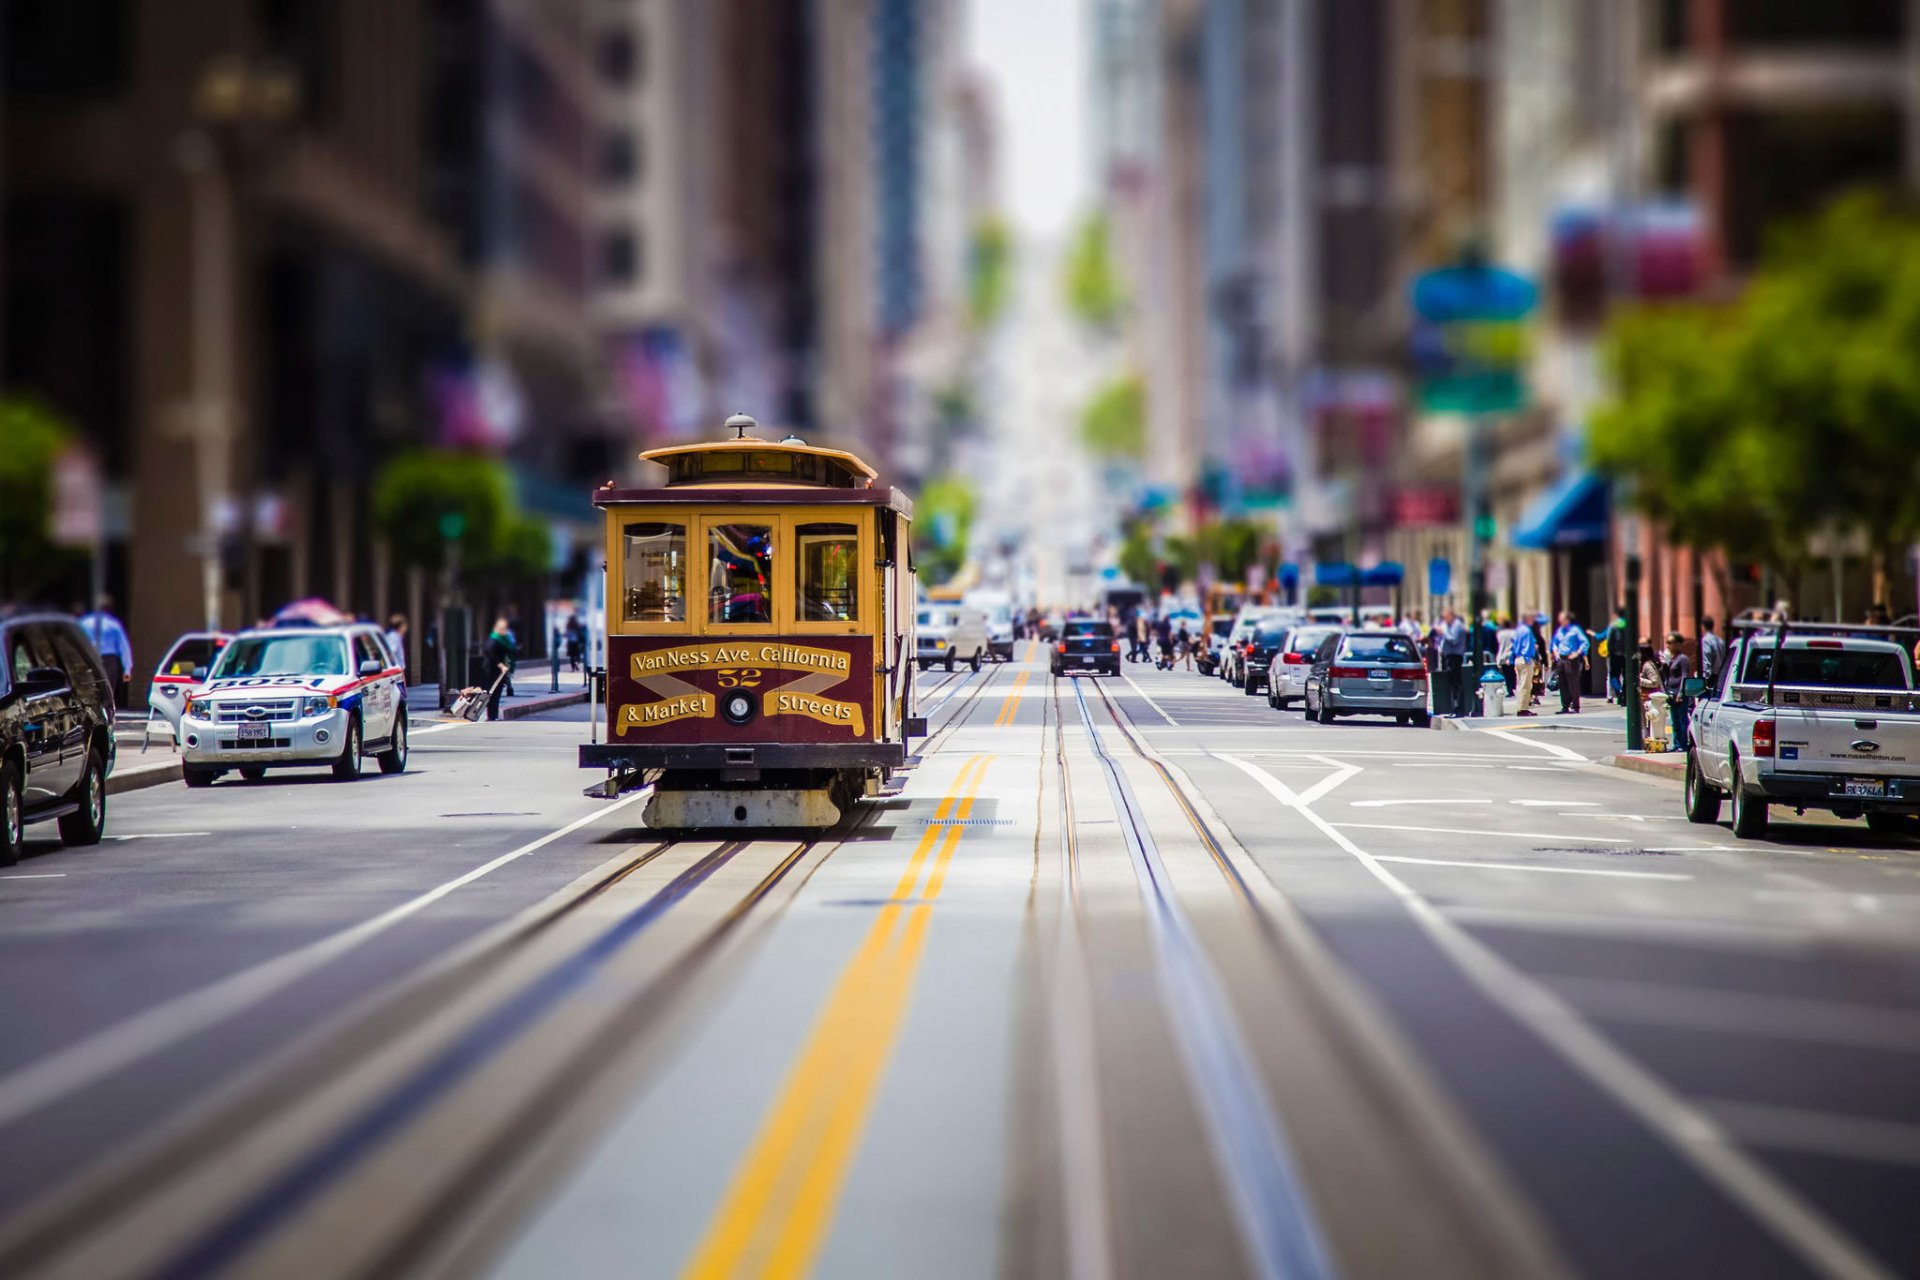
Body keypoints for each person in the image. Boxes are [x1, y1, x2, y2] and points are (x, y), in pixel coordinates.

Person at [77, 595, 133, 711]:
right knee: (108, 692)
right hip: (109, 661)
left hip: (89, 660)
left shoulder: (83, 623)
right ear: (108, 608)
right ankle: (107, 714)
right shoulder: (113, 624)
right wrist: (127, 669)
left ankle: (91, 712)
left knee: (90, 690)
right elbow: (124, 647)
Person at [1551, 610, 1590, 713]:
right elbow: (1554, 642)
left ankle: (1575, 706)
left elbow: (1585, 642)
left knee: (1573, 683)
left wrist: (1577, 653)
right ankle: (1565, 706)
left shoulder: (1575, 630)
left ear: (1567, 619)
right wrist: (1555, 652)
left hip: (1571, 659)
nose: (1560, 620)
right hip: (1561, 659)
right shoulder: (1560, 630)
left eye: (1562, 619)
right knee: (1562, 684)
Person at [1663, 631, 1694, 752]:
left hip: (1679, 693)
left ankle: (1683, 744)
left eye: (1671, 642)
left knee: (1682, 720)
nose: (1668, 645)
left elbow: (1684, 676)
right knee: (1674, 721)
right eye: (1667, 642)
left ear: (1678, 644)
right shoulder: (1671, 659)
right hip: (1671, 692)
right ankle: (1676, 744)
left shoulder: (1683, 659)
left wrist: (1681, 693)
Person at [1638, 640, 1671, 749]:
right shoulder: (1646, 664)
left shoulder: (1647, 665)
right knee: (1646, 723)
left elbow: (1655, 681)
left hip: (1650, 699)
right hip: (1646, 698)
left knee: (1650, 723)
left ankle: (1649, 744)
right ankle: (1647, 743)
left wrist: (1640, 680)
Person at [483, 618, 515, 721]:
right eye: (501, 628)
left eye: (505, 628)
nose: (504, 631)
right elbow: (491, 652)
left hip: (499, 670)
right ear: (496, 628)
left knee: (497, 693)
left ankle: (494, 715)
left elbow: (510, 650)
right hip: (493, 669)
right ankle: (491, 715)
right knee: (493, 693)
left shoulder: (503, 640)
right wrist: (501, 665)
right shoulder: (494, 639)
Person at [1438, 609, 1468, 717]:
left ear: (1451, 616)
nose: (1444, 620)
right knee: (1450, 681)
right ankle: (1453, 706)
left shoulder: (1457, 625)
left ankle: (1458, 707)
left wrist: (1443, 632)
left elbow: (1454, 639)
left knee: (1456, 681)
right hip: (1447, 655)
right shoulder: (1447, 625)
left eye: (1445, 617)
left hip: (1455, 656)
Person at [1510, 617, 1541, 716]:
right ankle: (1523, 709)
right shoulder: (1527, 631)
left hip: (1518, 659)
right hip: (1525, 659)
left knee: (1519, 685)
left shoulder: (1517, 630)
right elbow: (1527, 646)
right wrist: (1530, 657)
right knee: (1526, 685)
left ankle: (1520, 707)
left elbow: (1513, 646)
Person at [1606, 606, 1628, 703]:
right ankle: (1625, 694)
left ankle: (1619, 691)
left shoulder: (1614, 625)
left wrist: (1610, 651)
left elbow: (1609, 640)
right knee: (1627, 675)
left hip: (1615, 654)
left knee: (1614, 675)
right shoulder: (1629, 624)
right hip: (1627, 654)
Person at [1699, 616, 1726, 688]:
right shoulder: (1720, 640)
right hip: (1721, 675)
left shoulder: (1706, 640)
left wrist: (1706, 678)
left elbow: (1707, 658)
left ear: (1703, 626)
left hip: (1712, 677)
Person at [1495, 615, 1517, 695]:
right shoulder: (1514, 633)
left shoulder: (1500, 634)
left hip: (1502, 655)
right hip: (1511, 655)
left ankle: (1509, 689)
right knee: (1513, 673)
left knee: (1506, 675)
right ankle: (1513, 687)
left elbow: (1497, 644)